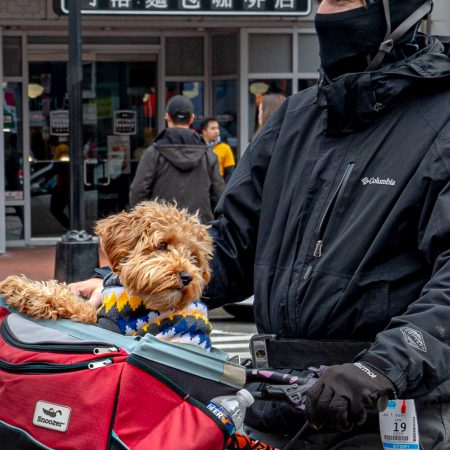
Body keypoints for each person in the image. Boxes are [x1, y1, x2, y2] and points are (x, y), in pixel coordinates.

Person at [70, 1, 450, 447]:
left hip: (379, 409)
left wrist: (382, 367)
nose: (327, 12)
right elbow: (230, 246)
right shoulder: (296, 117)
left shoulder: (440, 120)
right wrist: (123, 286)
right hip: (273, 402)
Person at [129, 95, 224, 223]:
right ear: (192, 119)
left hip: (163, 233)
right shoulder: (208, 155)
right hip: (199, 233)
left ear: (167, 117)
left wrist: (146, 223)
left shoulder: (153, 153)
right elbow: (219, 196)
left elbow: (138, 192)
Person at [200, 117, 236, 183]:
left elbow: (229, 173)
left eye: (217, 128)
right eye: (213, 128)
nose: (216, 131)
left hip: (219, 185)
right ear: (204, 131)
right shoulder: (197, 147)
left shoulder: (225, 148)